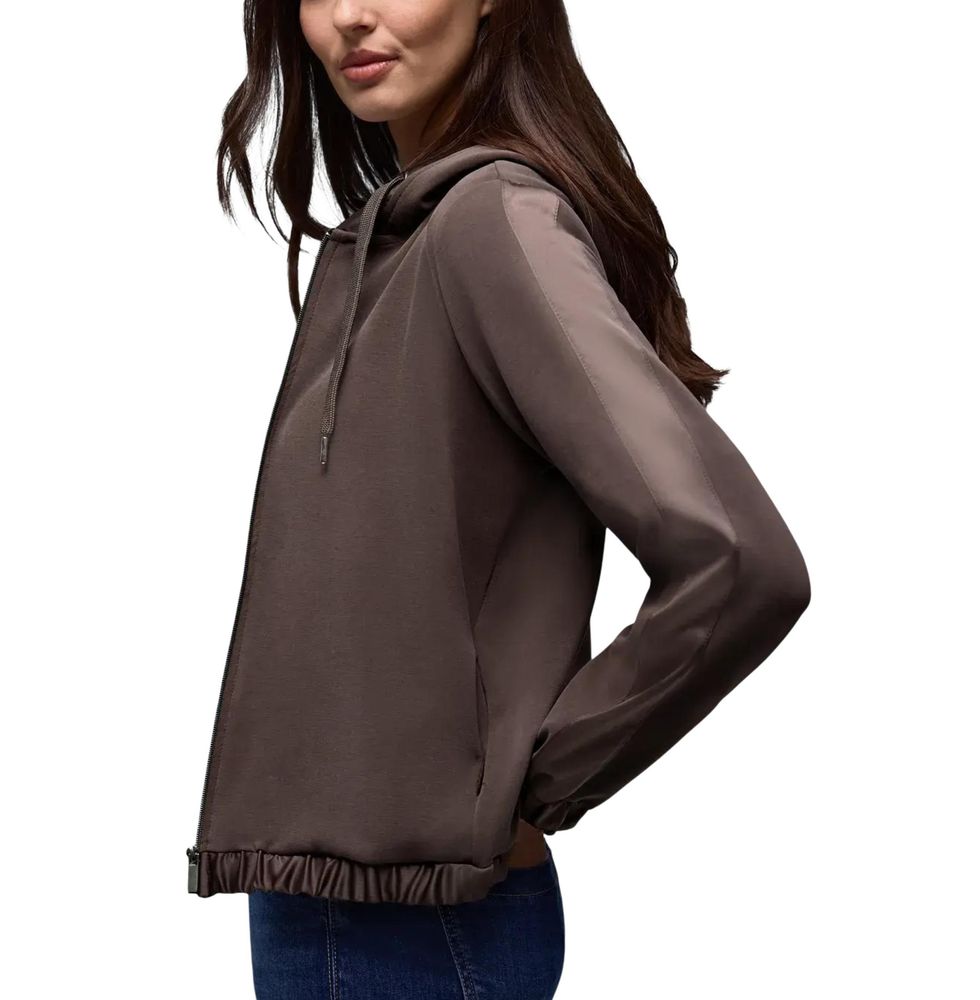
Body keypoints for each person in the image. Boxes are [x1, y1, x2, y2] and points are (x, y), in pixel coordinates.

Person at [186, 1, 811, 997]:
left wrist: (533, 781)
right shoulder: (391, 242)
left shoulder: (492, 221)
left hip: (415, 929)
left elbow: (738, 561)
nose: (350, 15)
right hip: (326, 901)